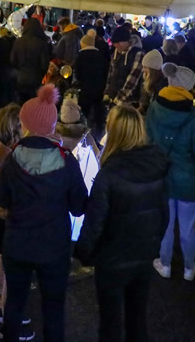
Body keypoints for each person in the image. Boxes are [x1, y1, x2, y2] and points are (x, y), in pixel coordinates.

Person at [0, 85, 88, 342]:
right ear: (52, 125)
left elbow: (2, 199)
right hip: (54, 246)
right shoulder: (67, 161)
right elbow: (79, 206)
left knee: (14, 302)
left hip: (17, 245)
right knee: (54, 308)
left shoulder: (12, 160)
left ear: (25, 124)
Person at [75, 105, 169, 342]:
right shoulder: (156, 166)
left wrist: (84, 253)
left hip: (112, 260)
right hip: (143, 257)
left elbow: (94, 224)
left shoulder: (108, 174)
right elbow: (163, 214)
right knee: (138, 319)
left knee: (111, 323)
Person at [146, 63, 195, 282]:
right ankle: (189, 267)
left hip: (161, 175)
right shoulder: (193, 116)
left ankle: (164, 264)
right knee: (188, 227)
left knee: (165, 224)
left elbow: (147, 141)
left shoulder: (154, 108)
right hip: (188, 179)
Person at [0, 104, 27, 340]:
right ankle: (10, 323)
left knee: (1, 262)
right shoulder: (10, 158)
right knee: (14, 273)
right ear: (13, 128)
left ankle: (2, 309)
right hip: (8, 220)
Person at [74, 30, 109, 138]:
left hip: (85, 89)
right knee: (98, 111)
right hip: (99, 88)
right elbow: (106, 73)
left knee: (84, 111)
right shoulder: (100, 57)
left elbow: (78, 74)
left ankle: (84, 131)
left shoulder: (80, 57)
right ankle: (99, 132)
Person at [11, 19, 51, 104]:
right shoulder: (41, 43)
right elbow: (44, 65)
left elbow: (13, 60)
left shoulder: (18, 41)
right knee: (34, 103)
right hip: (36, 78)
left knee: (21, 102)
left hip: (21, 77)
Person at [104, 27, 144, 107]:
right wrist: (107, 93)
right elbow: (110, 75)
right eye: (115, 43)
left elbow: (132, 80)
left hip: (129, 102)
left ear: (127, 41)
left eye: (119, 43)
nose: (116, 46)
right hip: (113, 98)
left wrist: (118, 100)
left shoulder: (138, 54)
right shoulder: (116, 53)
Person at [0, 28, 17, 108]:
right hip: (13, 71)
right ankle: (12, 111)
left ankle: (2, 112)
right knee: (11, 93)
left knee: (1, 93)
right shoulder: (15, 41)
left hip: (0, 70)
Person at [139, 49, 167, 116]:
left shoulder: (162, 86)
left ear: (153, 70)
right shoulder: (147, 81)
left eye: (145, 67)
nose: (143, 70)